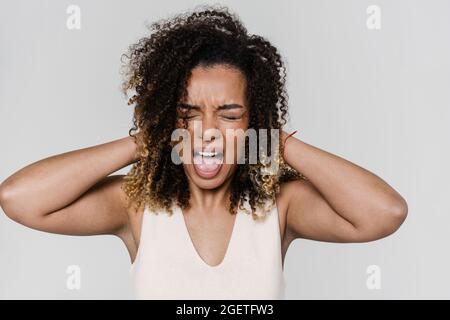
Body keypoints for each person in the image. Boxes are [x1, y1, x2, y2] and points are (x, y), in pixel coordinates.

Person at [0, 6, 407, 299]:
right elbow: (19, 200)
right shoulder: (137, 207)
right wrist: (144, 142)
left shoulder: (279, 206)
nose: (208, 133)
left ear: (253, 124)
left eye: (229, 115)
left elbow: (384, 213)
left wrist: (278, 143)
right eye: (189, 114)